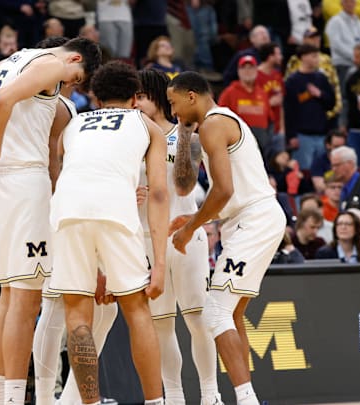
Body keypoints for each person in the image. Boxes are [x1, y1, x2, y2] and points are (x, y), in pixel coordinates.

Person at [0, 36, 101, 404]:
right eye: (76, 78)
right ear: (74, 58)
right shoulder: (52, 65)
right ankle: (13, 398)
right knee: (26, 301)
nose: (70, 86)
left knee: (11, 297)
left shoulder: (15, 61)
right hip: (21, 181)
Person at [46, 61, 168, 405]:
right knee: (137, 309)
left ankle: (90, 403)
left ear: (96, 98)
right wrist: (158, 263)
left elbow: (64, 178)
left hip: (66, 212)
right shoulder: (146, 125)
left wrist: (96, 266)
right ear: (135, 96)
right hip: (115, 210)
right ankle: (156, 403)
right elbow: (158, 194)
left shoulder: (73, 125)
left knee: (77, 314)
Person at [167, 71, 286, 405]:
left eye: (174, 103)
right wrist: (194, 217)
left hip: (254, 219)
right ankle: (246, 397)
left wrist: (191, 228)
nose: (173, 112)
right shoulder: (216, 124)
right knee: (230, 315)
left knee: (215, 312)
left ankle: (246, 400)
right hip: (248, 217)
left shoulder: (213, 124)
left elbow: (224, 190)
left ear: (192, 96)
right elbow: (229, 195)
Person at [135, 68, 222, 405]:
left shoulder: (188, 136)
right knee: (161, 324)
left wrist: (184, 134)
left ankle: (210, 394)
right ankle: (173, 396)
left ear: (157, 97)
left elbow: (185, 185)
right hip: (146, 238)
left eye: (141, 96)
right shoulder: (130, 141)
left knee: (198, 320)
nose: (136, 103)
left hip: (185, 236)